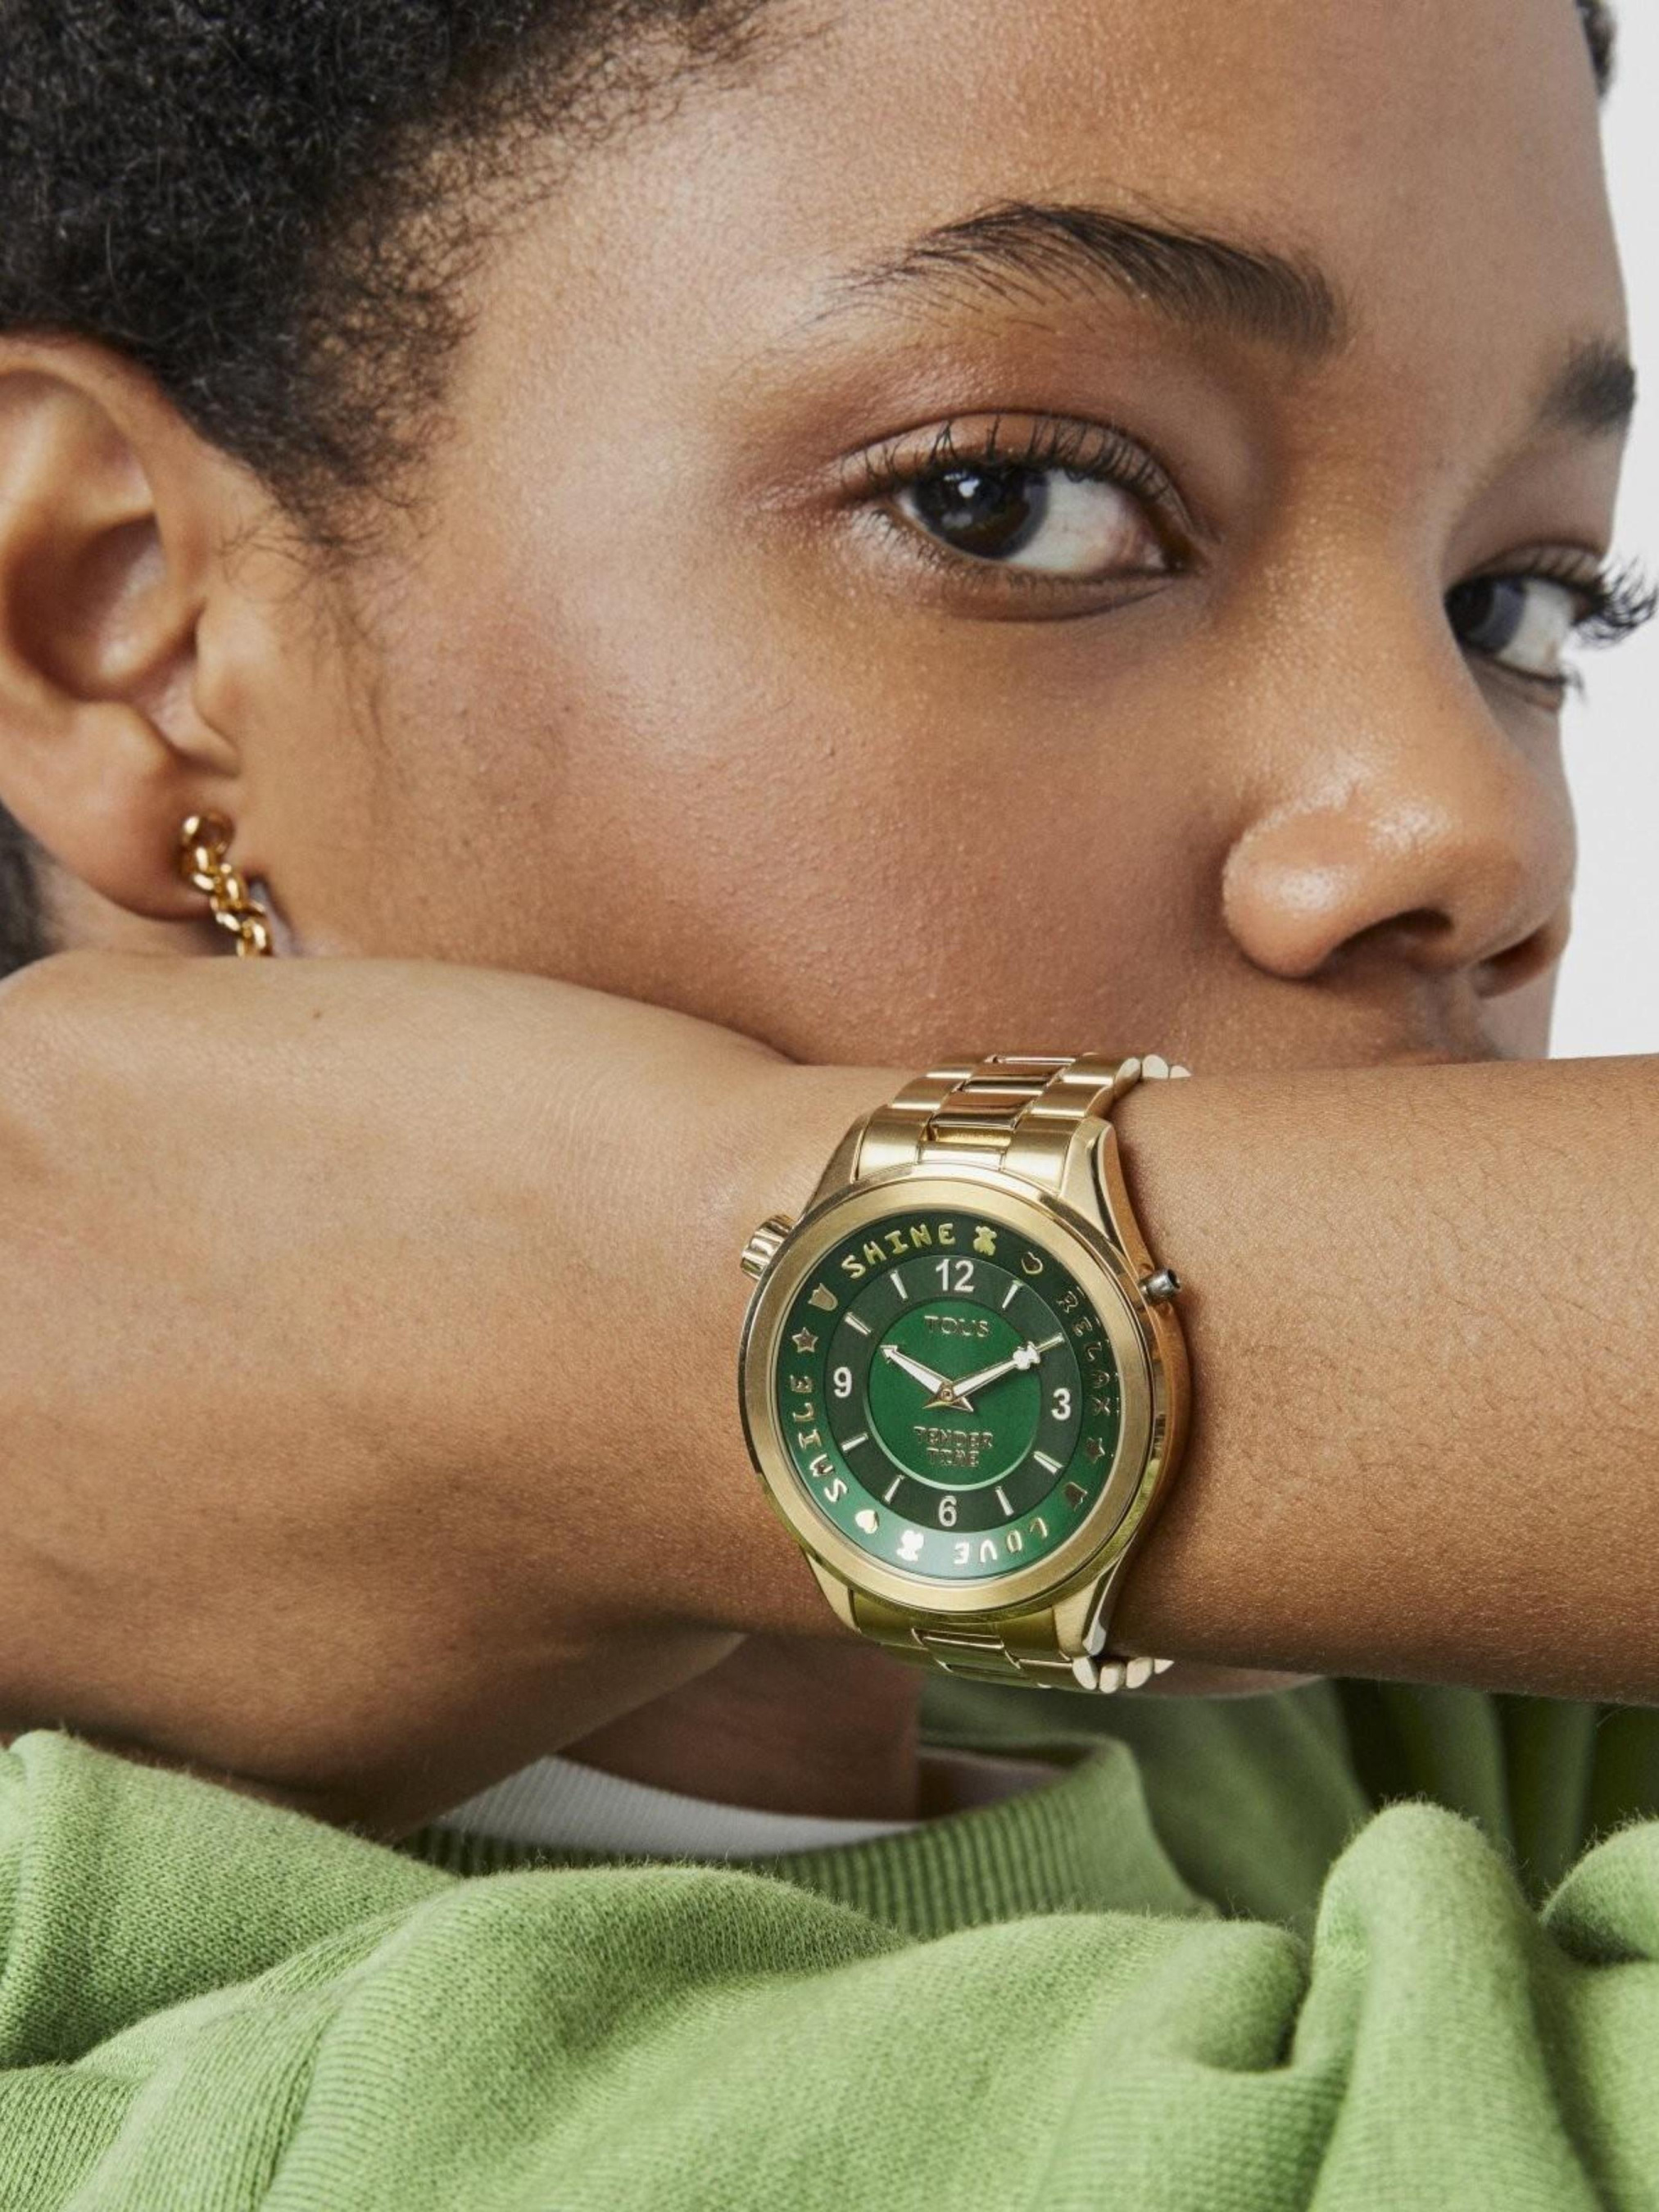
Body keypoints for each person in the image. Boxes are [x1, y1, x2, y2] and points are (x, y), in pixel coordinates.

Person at [1, 0, 1658, 2201]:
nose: (1471, 828)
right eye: (1012, 500)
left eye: (1516, 602)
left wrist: (653, 1332)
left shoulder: (1382, 1706)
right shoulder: (241, 2120)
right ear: (123, 628)